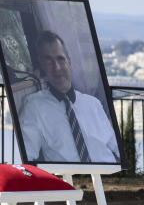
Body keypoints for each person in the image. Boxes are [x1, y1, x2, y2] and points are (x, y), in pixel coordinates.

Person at [18, 30, 120, 163]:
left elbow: (115, 146)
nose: (57, 67)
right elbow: (26, 154)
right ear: (42, 66)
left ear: (69, 62)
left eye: (60, 59)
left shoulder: (93, 104)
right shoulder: (34, 106)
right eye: (49, 61)